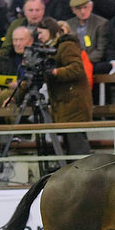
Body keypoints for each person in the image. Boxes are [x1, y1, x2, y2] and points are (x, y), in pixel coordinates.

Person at [45, 18, 92, 157]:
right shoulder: (54, 49)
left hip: (73, 103)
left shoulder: (67, 46)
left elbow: (78, 70)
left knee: (77, 146)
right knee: (71, 145)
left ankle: (83, 175)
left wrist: (56, 72)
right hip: (65, 104)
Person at [66, 0, 109, 72]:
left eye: (85, 7)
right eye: (79, 8)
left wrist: (83, 61)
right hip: (73, 64)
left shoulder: (101, 23)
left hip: (93, 63)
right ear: (73, 10)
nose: (83, 11)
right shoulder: (68, 25)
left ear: (91, 6)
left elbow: (100, 50)